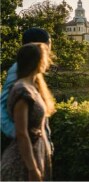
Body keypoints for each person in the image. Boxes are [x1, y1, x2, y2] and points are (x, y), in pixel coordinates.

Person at [1, 43, 55, 181]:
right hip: (22, 163)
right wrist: (32, 169)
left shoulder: (33, 87)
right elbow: (21, 133)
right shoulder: (22, 90)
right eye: (45, 57)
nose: (48, 61)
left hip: (36, 155)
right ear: (36, 61)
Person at [1, 28, 52, 139]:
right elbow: (2, 106)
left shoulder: (33, 71)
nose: (50, 48)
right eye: (49, 43)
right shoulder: (18, 70)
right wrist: (19, 134)